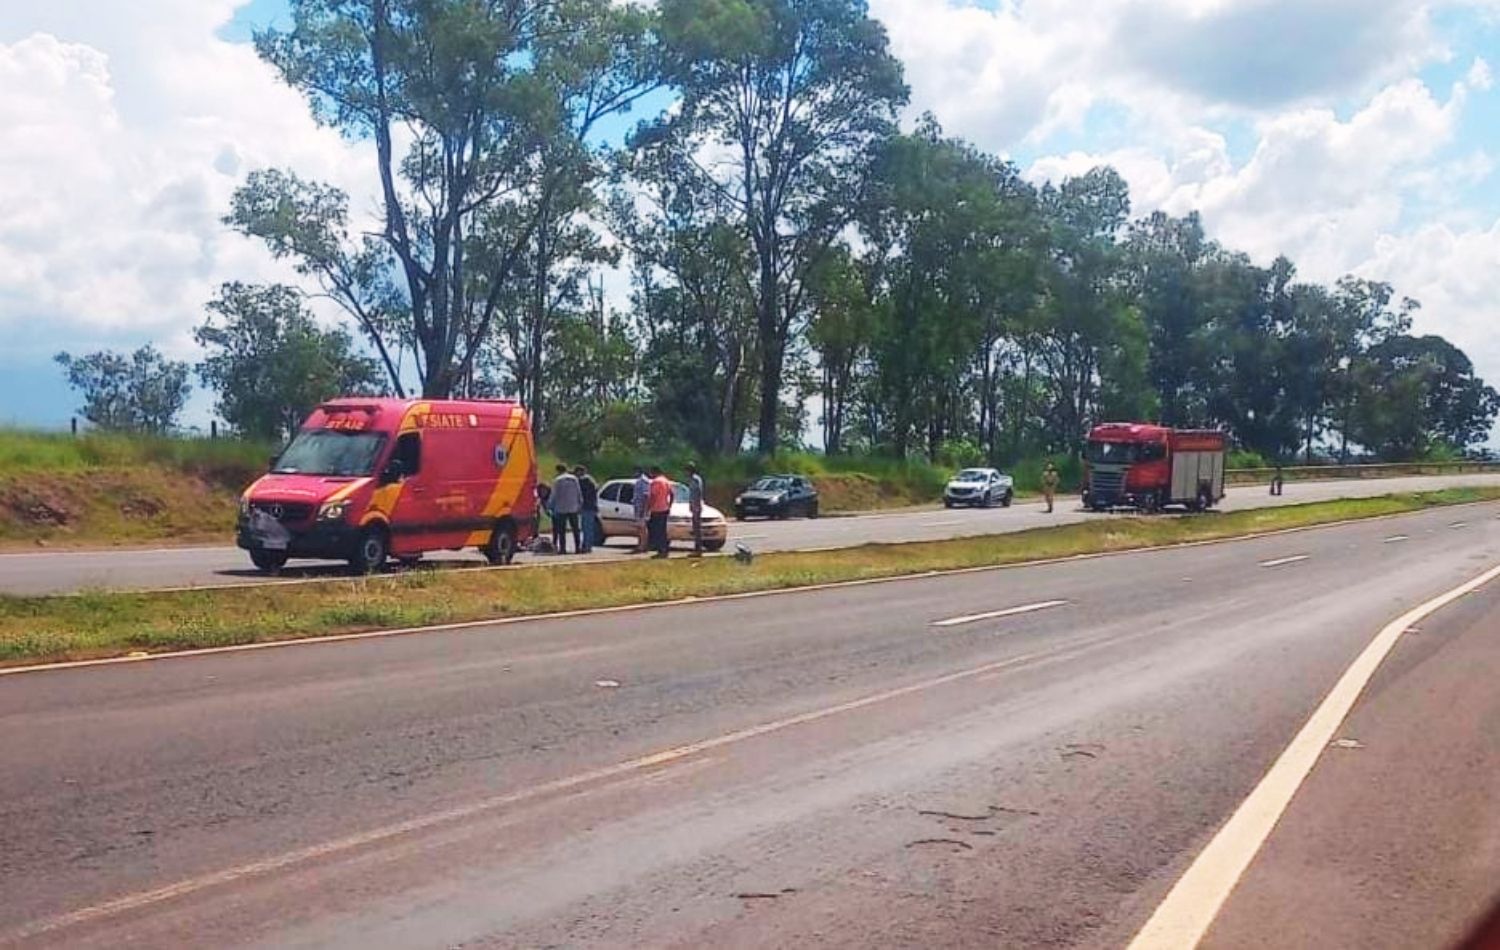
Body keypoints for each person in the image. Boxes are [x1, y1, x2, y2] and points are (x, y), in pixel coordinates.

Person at [550, 463, 582, 554]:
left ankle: (563, 548)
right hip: (573, 507)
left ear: (558, 471)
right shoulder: (574, 479)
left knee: (561, 530)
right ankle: (577, 548)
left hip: (561, 508)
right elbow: (578, 492)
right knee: (575, 529)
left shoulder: (557, 480)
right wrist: (579, 504)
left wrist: (551, 506)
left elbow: (554, 495)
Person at [647, 465, 674, 558]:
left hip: (656, 509)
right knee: (662, 530)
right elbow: (672, 493)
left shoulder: (655, 482)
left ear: (654, 472)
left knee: (656, 530)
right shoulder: (666, 481)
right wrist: (669, 504)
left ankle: (660, 550)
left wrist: (649, 507)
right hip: (665, 509)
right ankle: (665, 549)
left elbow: (652, 496)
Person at [575, 464, 599, 554]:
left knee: (586, 528)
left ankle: (586, 546)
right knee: (589, 528)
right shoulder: (591, 480)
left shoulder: (583, 481)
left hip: (586, 507)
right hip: (592, 506)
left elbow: (580, 494)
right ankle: (588, 545)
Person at [686, 461, 706, 556]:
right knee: (695, 527)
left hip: (696, 506)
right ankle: (697, 547)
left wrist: (696, 506)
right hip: (694, 505)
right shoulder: (692, 479)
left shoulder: (695, 479)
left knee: (697, 528)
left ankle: (698, 549)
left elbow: (698, 493)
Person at [632, 465, 651, 554]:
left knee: (643, 528)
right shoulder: (639, 481)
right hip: (638, 507)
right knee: (639, 528)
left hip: (641, 508)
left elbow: (646, 495)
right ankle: (640, 544)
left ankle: (643, 546)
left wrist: (644, 510)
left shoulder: (643, 481)